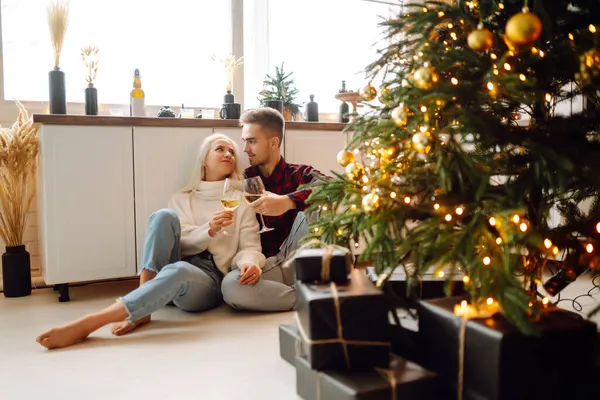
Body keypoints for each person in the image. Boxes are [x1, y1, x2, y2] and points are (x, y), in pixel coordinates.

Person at [36, 133, 286, 350]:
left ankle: (90, 322)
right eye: (219, 148)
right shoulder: (182, 199)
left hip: (208, 281)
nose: (229, 153)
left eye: (232, 151)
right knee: (162, 216)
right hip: (177, 263)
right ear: (203, 160)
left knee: (178, 270)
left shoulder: (241, 200)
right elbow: (185, 244)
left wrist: (249, 263)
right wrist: (208, 230)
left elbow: (250, 247)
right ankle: (143, 306)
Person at [233, 108, 326, 309]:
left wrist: (287, 201)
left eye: (252, 141)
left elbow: (332, 187)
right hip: (266, 265)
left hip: (297, 256)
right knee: (231, 288)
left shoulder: (300, 173)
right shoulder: (243, 178)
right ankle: (307, 298)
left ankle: (314, 283)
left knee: (316, 204)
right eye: (244, 141)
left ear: (274, 142)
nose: (245, 149)